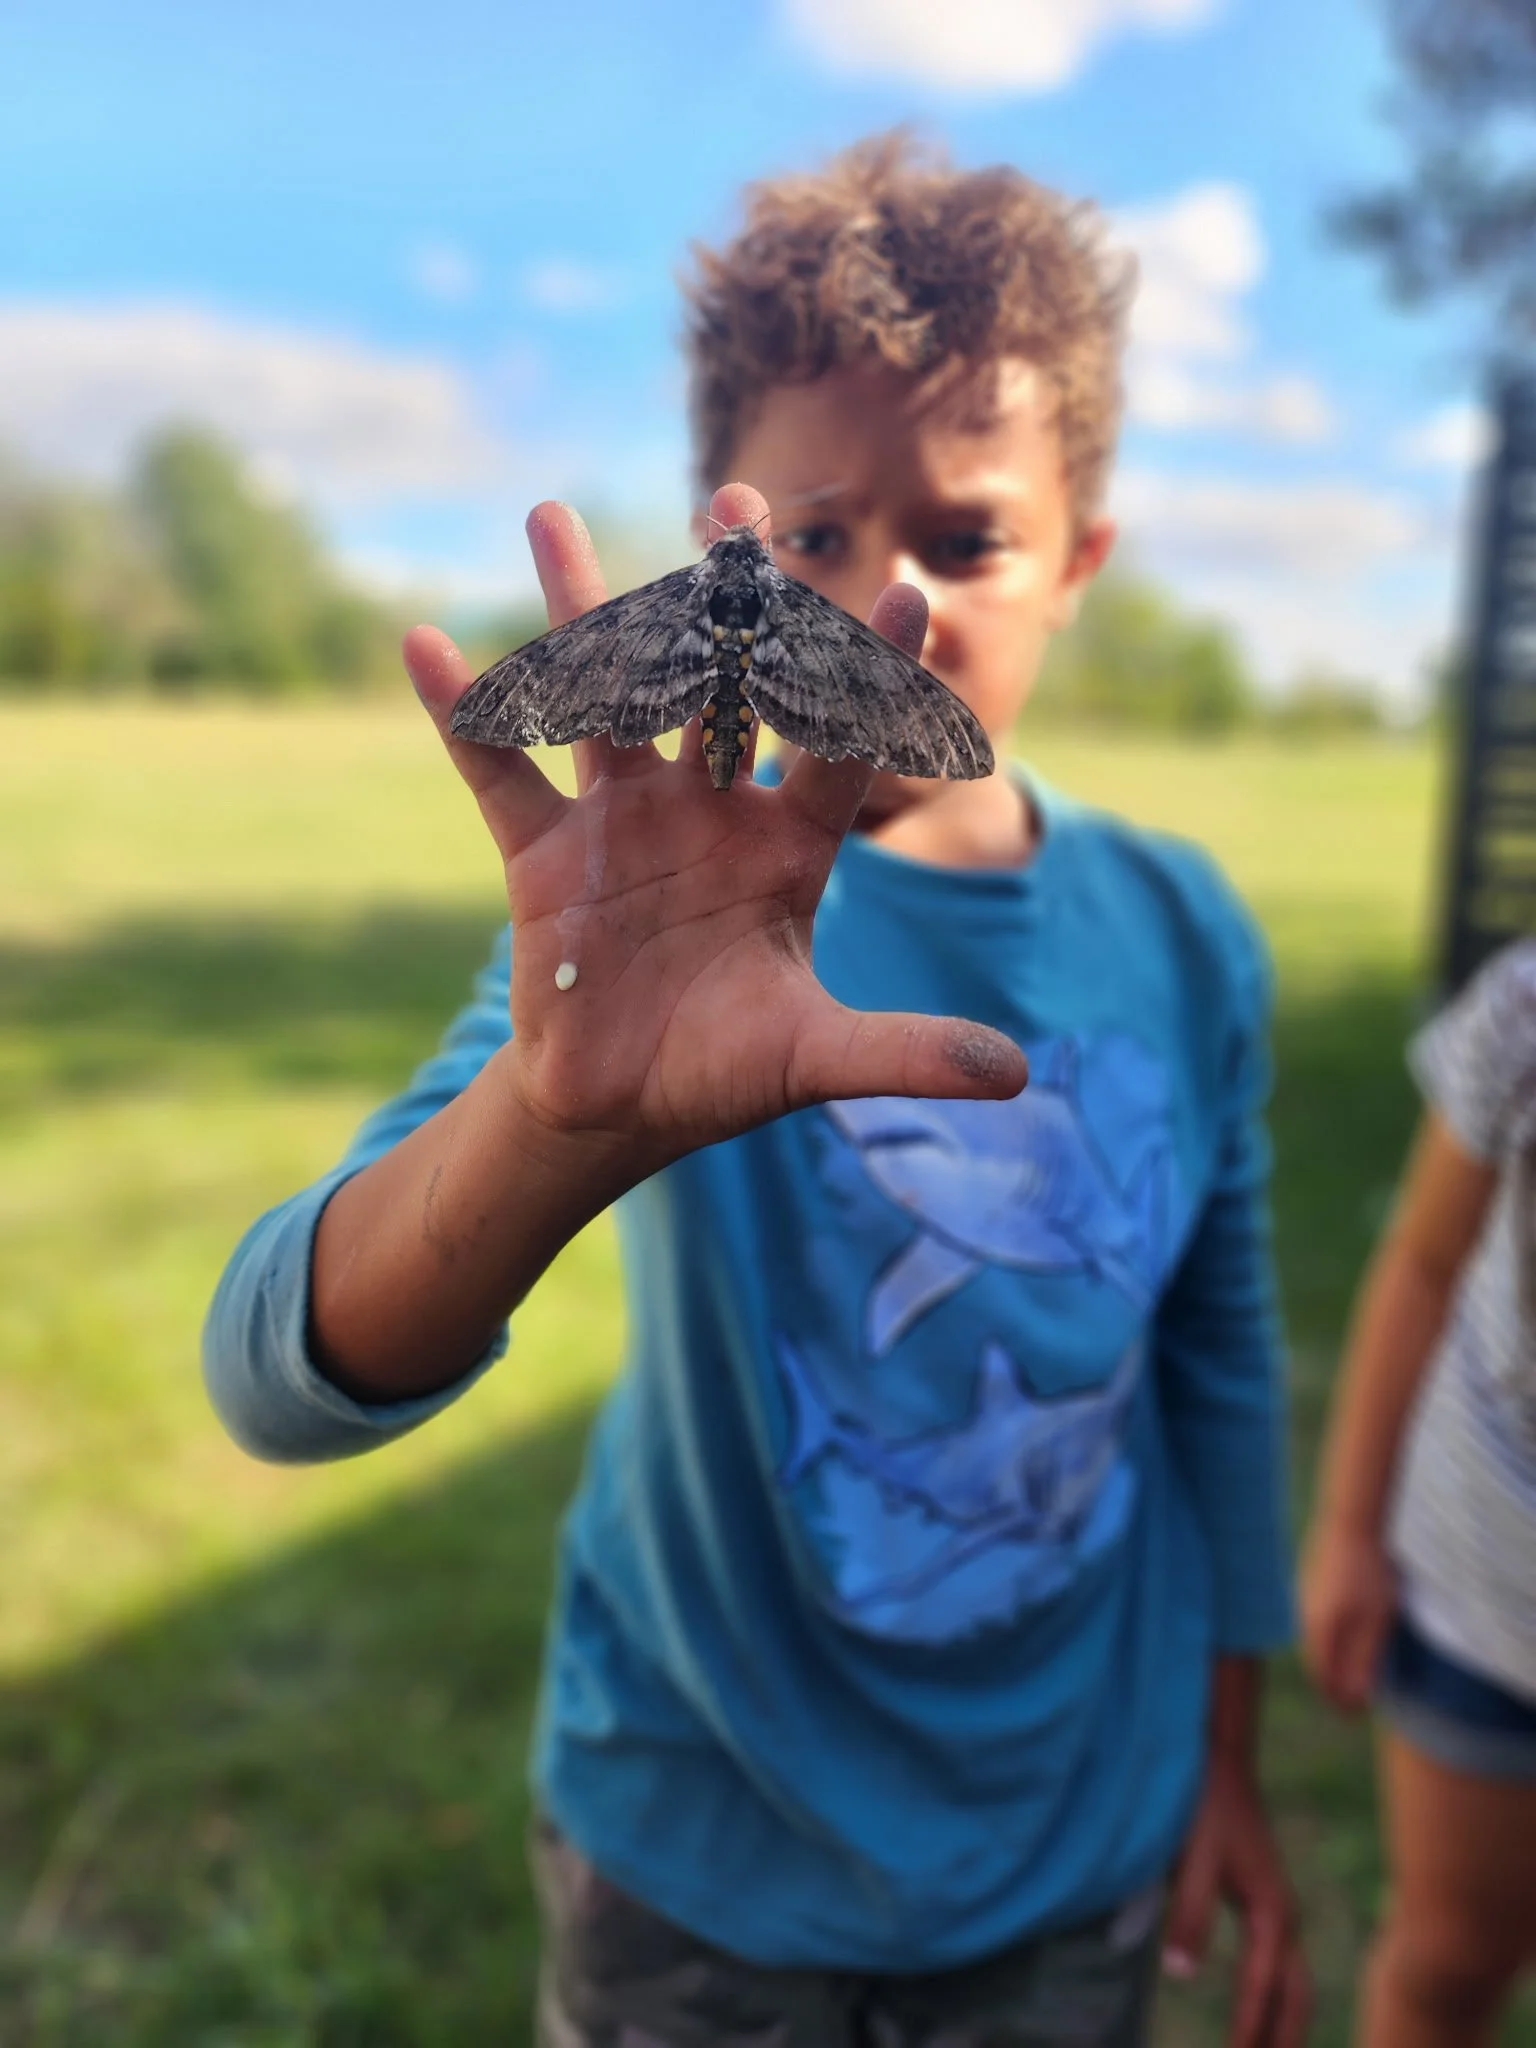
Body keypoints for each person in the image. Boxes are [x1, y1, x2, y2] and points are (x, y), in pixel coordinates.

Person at [205, 134, 1308, 2047]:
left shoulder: (1184, 929)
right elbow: (264, 1369)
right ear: (724, 554)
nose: (893, 602)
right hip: (702, 1851)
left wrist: (1227, 1742)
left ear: (1083, 561)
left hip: (1075, 1848)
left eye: (965, 538)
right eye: (812, 540)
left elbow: (1215, 1350)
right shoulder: (642, 942)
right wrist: (557, 1116)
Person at [1303, 936, 1536, 2047]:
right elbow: (1423, 1261)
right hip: (1480, 1599)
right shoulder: (1524, 1009)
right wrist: (1349, 1528)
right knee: (1447, 1958)